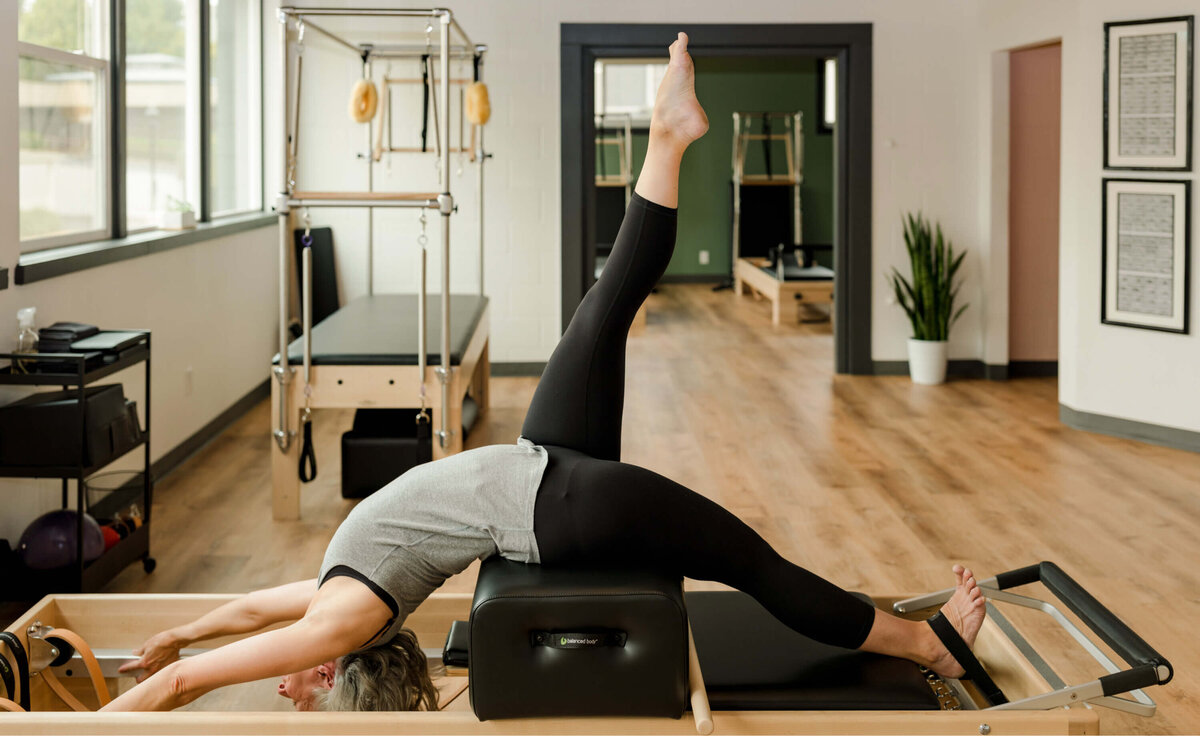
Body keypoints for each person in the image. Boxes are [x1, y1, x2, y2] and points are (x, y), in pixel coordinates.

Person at [103, 33, 985, 713]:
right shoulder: (350, 619)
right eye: (299, 687)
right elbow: (201, 679)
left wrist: (170, 641)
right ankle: (925, 646)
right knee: (746, 560)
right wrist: (147, 690)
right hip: (555, 507)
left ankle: (669, 136)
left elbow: (250, 616)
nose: (285, 682)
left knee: (602, 308)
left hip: (537, 465)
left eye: (291, 683)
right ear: (338, 666)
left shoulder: (334, 599)